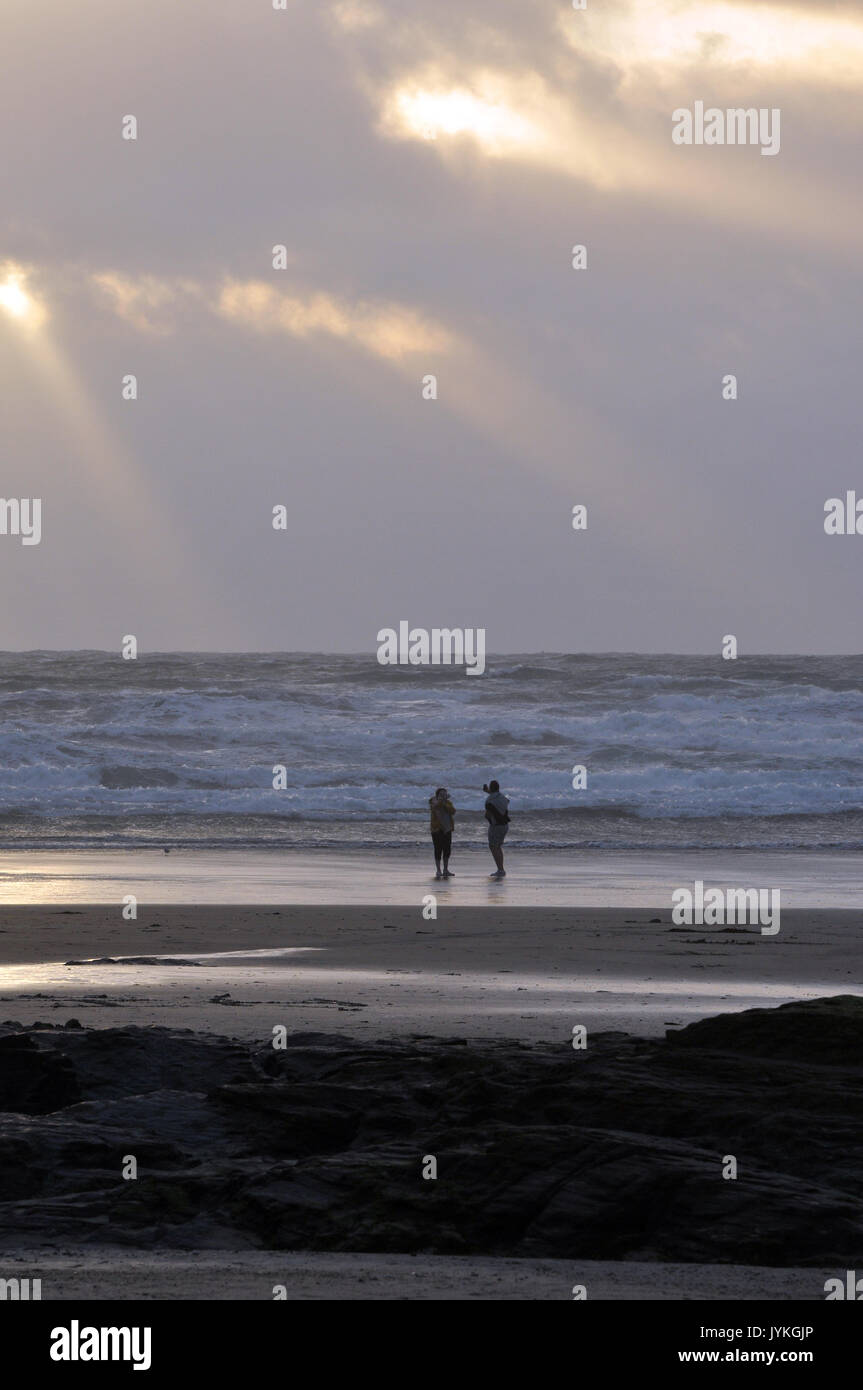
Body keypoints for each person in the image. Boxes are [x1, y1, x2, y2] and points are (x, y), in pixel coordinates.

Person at [483, 779, 510, 878]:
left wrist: (489, 820)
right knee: (498, 847)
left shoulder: (489, 800)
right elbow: (506, 801)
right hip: (505, 825)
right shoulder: (502, 797)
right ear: (498, 788)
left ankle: (500, 869)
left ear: (490, 788)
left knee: (493, 847)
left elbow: (488, 814)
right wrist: (489, 792)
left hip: (496, 825)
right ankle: (501, 869)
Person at [428, 787, 456, 879]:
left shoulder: (448, 803)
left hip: (447, 829)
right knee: (438, 849)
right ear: (437, 795)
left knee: (447, 850)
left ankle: (446, 870)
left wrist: (445, 803)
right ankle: (438, 870)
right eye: (441, 794)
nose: (443, 795)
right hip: (437, 829)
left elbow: (453, 811)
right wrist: (442, 801)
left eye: (445, 794)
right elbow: (435, 806)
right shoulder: (433, 801)